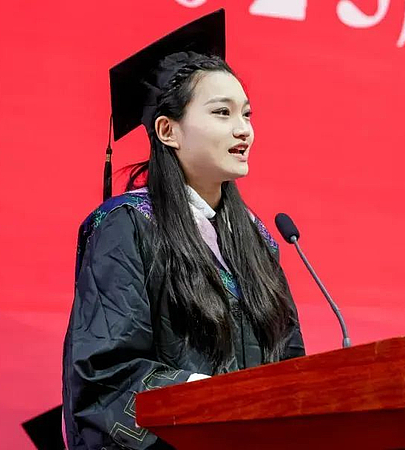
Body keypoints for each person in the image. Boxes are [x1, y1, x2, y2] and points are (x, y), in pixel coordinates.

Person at [62, 10, 305, 450]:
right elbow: (106, 373)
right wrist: (214, 401)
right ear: (167, 130)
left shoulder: (258, 240)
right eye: (222, 113)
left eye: (247, 114)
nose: (243, 130)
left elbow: (289, 362)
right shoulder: (126, 226)